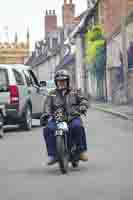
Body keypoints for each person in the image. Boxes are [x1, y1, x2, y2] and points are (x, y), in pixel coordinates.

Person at [42, 69, 89, 165]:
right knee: (48, 129)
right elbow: (47, 105)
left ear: (67, 81)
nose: (61, 83)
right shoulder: (52, 94)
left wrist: (83, 106)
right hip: (57, 118)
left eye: (63, 80)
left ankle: (81, 151)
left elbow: (83, 99)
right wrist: (46, 114)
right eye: (59, 81)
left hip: (72, 117)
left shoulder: (75, 91)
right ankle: (53, 155)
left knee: (78, 127)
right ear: (56, 82)